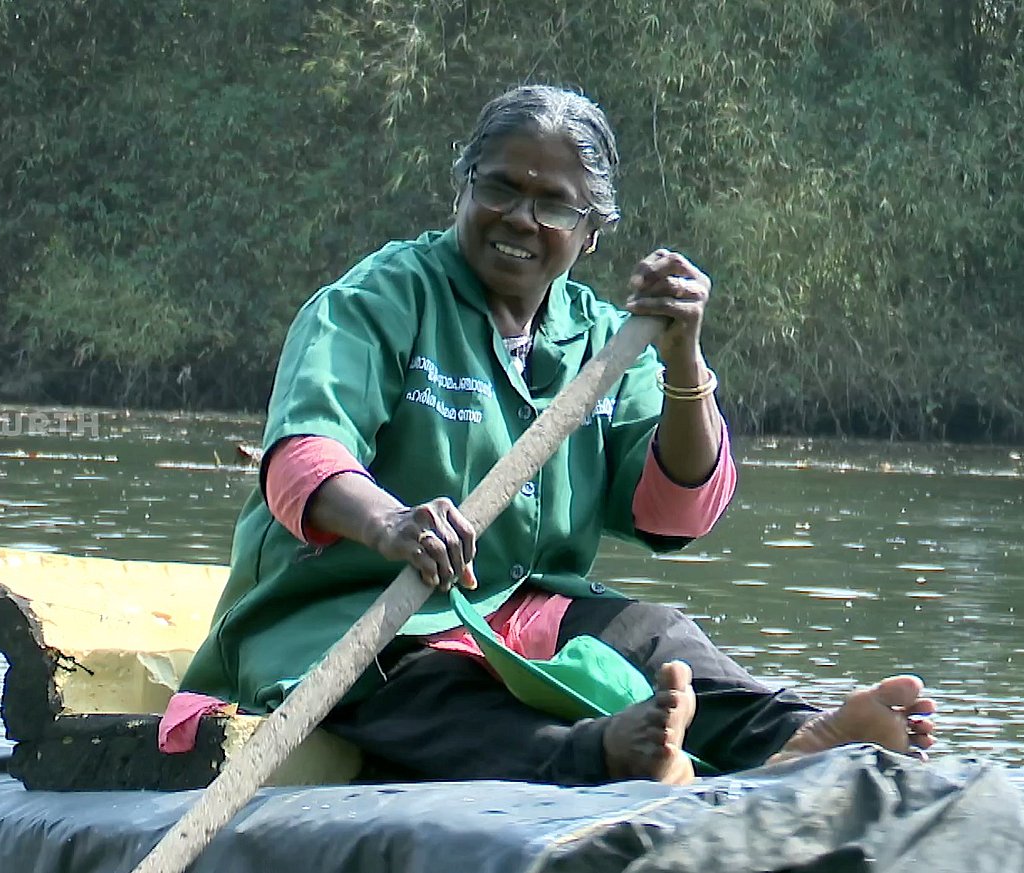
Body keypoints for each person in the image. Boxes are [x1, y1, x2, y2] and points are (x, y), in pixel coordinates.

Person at [178, 85, 936, 785]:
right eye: (501, 187)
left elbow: (675, 513)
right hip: (357, 620)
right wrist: (393, 523)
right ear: (463, 188)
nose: (519, 218)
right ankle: (608, 751)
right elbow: (300, 458)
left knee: (658, 634)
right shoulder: (379, 297)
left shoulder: (605, 345)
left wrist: (681, 358)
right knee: (429, 690)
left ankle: (803, 739)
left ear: (592, 232)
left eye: (554, 205)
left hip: (518, 610)